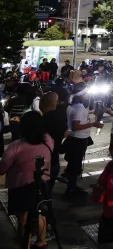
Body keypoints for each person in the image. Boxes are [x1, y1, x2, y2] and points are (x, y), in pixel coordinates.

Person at [0, 112, 54, 248]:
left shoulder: (16, 146)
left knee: (23, 217)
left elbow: (2, 168)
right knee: (41, 212)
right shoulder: (48, 140)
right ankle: (41, 240)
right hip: (43, 183)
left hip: (21, 186)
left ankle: (26, 244)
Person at [65, 83, 102, 196]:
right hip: (79, 139)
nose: (88, 94)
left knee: (73, 164)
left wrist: (90, 112)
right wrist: (93, 124)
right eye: (86, 92)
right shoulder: (80, 108)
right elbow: (76, 126)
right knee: (75, 165)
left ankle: (72, 186)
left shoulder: (72, 105)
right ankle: (71, 189)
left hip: (73, 139)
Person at [40, 91, 67, 194]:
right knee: (49, 183)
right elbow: (66, 133)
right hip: (54, 156)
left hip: (42, 158)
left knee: (42, 184)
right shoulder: (60, 116)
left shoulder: (41, 118)